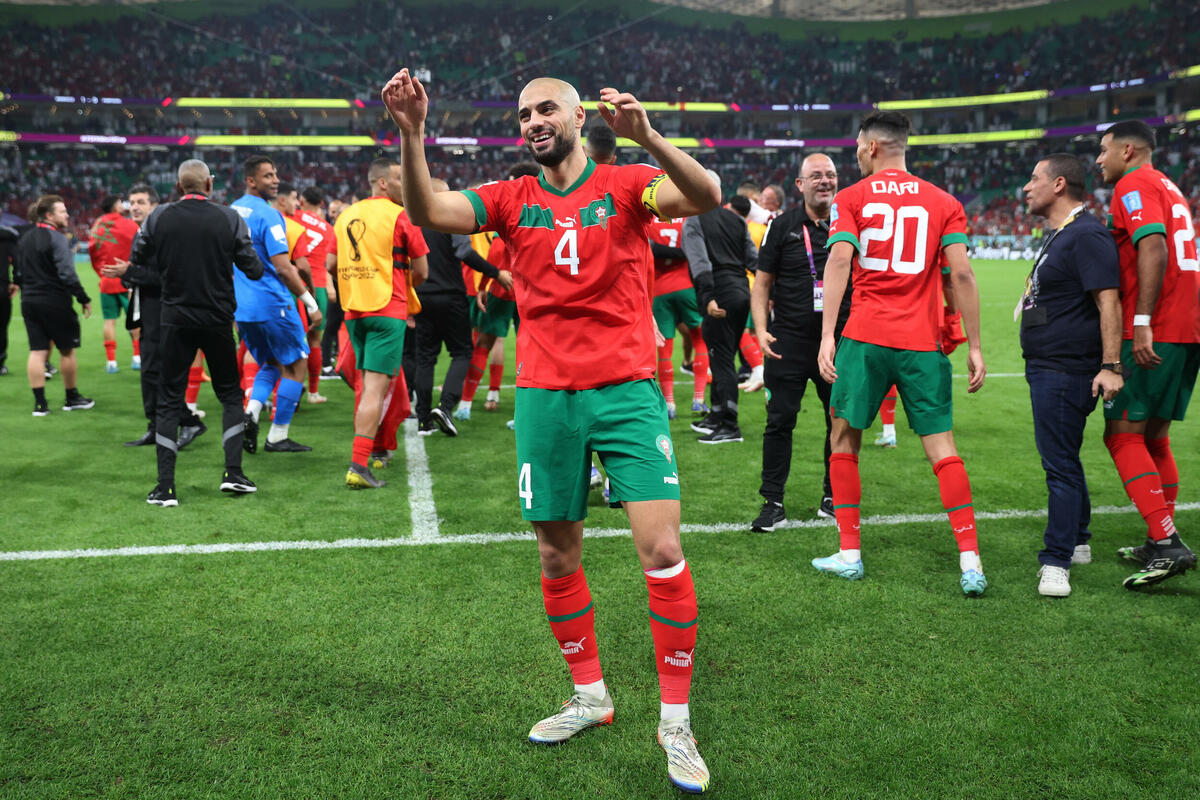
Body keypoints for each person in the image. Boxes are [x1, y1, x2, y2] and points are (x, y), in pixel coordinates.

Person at [383, 69, 719, 792]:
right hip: (544, 398)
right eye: (524, 114)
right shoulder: (510, 198)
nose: (533, 121)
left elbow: (706, 195)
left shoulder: (626, 184)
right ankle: (590, 696)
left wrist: (649, 137)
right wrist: (413, 133)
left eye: (546, 110)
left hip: (626, 392)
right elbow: (428, 209)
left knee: (662, 549)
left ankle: (675, 721)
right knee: (556, 554)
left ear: (576, 118)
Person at [816, 110, 989, 595]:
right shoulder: (945, 202)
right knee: (943, 449)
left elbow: (840, 260)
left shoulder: (851, 197)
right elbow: (962, 274)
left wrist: (828, 334)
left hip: (865, 337)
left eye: (857, 146)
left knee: (843, 439)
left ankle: (850, 554)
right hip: (921, 341)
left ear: (872, 147)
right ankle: (970, 562)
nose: (856, 154)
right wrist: (975, 346)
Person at [1095, 120, 1199, 589]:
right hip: (1187, 325)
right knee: (1155, 437)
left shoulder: (1133, 185)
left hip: (1158, 326)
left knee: (1122, 435)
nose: (1100, 159)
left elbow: (1153, 247)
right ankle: (1159, 539)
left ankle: (1167, 542)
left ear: (1128, 150)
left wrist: (1141, 322)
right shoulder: (1168, 185)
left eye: (1104, 150)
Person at [128, 159, 264, 506]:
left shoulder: (159, 217)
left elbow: (138, 255)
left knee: (169, 399)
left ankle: (165, 487)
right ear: (209, 184)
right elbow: (254, 269)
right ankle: (233, 474)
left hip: (174, 319)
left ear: (178, 187)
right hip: (217, 319)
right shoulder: (229, 218)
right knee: (230, 396)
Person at [1019, 153, 1124, 597]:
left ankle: (1056, 561)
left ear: (1059, 184)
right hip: (1049, 364)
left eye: (1034, 178)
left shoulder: (1086, 234)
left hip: (1064, 368)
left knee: (1058, 465)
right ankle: (1078, 539)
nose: (1027, 187)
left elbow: (1108, 301)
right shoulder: (1065, 232)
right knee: (1065, 456)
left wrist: (1111, 366)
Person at [749, 153, 845, 531]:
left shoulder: (848, 222)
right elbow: (762, 283)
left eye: (830, 175)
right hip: (786, 341)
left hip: (837, 342)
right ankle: (772, 502)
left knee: (839, 421)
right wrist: (761, 330)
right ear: (800, 184)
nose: (825, 181)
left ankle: (833, 496)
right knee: (779, 422)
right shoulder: (783, 225)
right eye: (816, 175)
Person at [333, 156, 428, 487]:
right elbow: (422, 270)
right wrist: (402, 287)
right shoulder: (400, 215)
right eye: (400, 178)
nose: (405, 184)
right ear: (383, 182)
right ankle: (360, 464)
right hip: (388, 310)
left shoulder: (345, 214)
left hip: (354, 311)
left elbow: (331, 263)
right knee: (375, 390)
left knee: (369, 387)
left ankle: (374, 450)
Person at [232, 155, 322, 453]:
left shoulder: (231, 211)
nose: (276, 180)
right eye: (268, 176)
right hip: (273, 304)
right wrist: (310, 303)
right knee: (296, 365)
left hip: (243, 308)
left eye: (275, 175)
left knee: (270, 362)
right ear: (251, 180)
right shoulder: (269, 216)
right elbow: (284, 268)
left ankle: (250, 413)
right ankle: (278, 435)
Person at [106, 184, 205, 449]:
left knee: (161, 373)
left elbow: (168, 277)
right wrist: (128, 276)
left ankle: (189, 421)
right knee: (150, 372)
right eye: (132, 202)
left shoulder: (162, 235)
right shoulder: (141, 234)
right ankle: (156, 426)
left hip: (165, 313)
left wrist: (129, 273)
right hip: (148, 313)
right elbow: (140, 273)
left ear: (154, 206)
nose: (135, 207)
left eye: (141, 202)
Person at [413, 177, 510, 435]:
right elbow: (464, 252)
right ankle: (445, 407)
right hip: (451, 295)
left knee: (425, 357)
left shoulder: (411, 221)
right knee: (463, 351)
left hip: (421, 296)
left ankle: (423, 419)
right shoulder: (447, 220)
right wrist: (495, 273)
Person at [685, 170, 758, 444]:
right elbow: (754, 259)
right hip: (741, 291)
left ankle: (729, 424)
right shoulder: (736, 220)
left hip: (718, 293)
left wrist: (707, 297)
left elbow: (700, 263)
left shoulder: (694, 220)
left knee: (722, 358)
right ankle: (716, 415)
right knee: (722, 355)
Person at [12, 195, 94, 415]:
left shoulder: (25, 238)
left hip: (29, 301)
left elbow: (18, 272)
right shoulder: (57, 238)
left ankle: (40, 405)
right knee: (66, 350)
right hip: (55, 301)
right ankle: (71, 398)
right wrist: (83, 297)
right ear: (49, 215)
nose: (67, 215)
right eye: (62, 211)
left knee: (37, 351)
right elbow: (67, 274)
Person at [87, 196, 141, 373]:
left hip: (107, 281)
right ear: (116, 206)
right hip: (127, 279)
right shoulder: (130, 225)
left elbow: (93, 253)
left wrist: (103, 273)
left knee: (109, 322)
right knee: (135, 320)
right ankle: (137, 357)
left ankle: (111, 362)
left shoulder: (97, 226)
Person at [295, 185, 336, 403]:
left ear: (301, 201)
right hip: (318, 286)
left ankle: (289, 387)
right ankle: (313, 392)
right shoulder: (328, 229)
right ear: (321, 204)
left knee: (289, 339)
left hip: (293, 285)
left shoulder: (293, 217)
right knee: (315, 341)